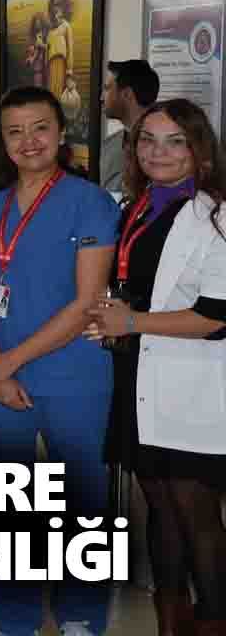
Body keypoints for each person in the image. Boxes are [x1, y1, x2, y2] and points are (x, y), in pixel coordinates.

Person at [0, 86, 119, 636]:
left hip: (73, 374)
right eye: (15, 131)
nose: (29, 141)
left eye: (41, 128)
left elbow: (86, 304)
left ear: (61, 132)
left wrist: (8, 362)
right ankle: (16, 617)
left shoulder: (89, 201)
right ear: (1, 140)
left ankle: (80, 616)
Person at [85, 99, 226, 635]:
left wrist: (132, 321)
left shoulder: (216, 215)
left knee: (197, 514)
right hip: (139, 376)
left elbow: (216, 317)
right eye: (148, 140)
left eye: (174, 141)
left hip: (193, 384)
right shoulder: (138, 206)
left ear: (199, 149)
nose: (158, 152)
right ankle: (170, 624)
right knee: (160, 508)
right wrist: (117, 316)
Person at [99, 59, 160, 192]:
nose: (101, 98)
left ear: (127, 94)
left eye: (107, 88)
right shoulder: (109, 145)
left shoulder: (165, 149)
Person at [46, 0, 75, 98]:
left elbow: (70, 50)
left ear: (64, 6)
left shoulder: (66, 26)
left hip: (61, 64)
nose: (56, 8)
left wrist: (69, 72)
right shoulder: (50, 28)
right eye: (54, 5)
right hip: (50, 66)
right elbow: (48, 48)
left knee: (58, 95)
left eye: (59, 4)